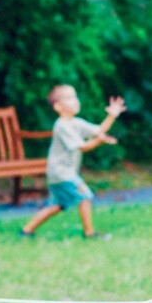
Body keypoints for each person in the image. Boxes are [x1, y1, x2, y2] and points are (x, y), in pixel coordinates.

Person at [20, 86, 126, 239]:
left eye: (75, 96)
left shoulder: (75, 123)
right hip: (63, 173)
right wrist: (98, 141)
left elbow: (99, 130)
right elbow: (82, 146)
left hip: (58, 174)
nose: (75, 101)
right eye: (69, 98)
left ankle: (26, 231)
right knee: (85, 196)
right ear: (58, 106)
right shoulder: (62, 126)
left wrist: (111, 116)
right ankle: (89, 233)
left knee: (56, 205)